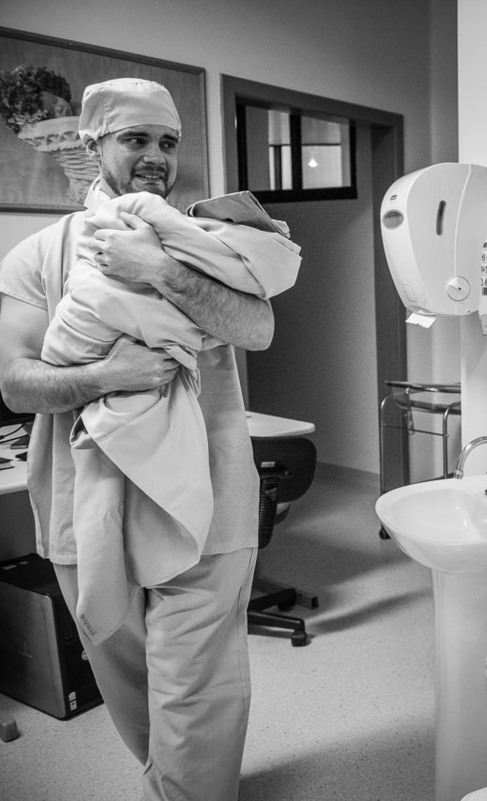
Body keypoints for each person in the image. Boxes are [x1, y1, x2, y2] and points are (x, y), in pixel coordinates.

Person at [0, 78, 276, 800]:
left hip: (206, 496)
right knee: (126, 682)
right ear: (94, 145)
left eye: (168, 141)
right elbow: (16, 385)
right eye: (135, 139)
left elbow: (257, 329)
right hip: (88, 504)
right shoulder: (39, 255)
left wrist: (155, 269)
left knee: (199, 691)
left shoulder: (200, 243)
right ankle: (174, 781)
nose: (156, 156)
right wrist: (108, 374)